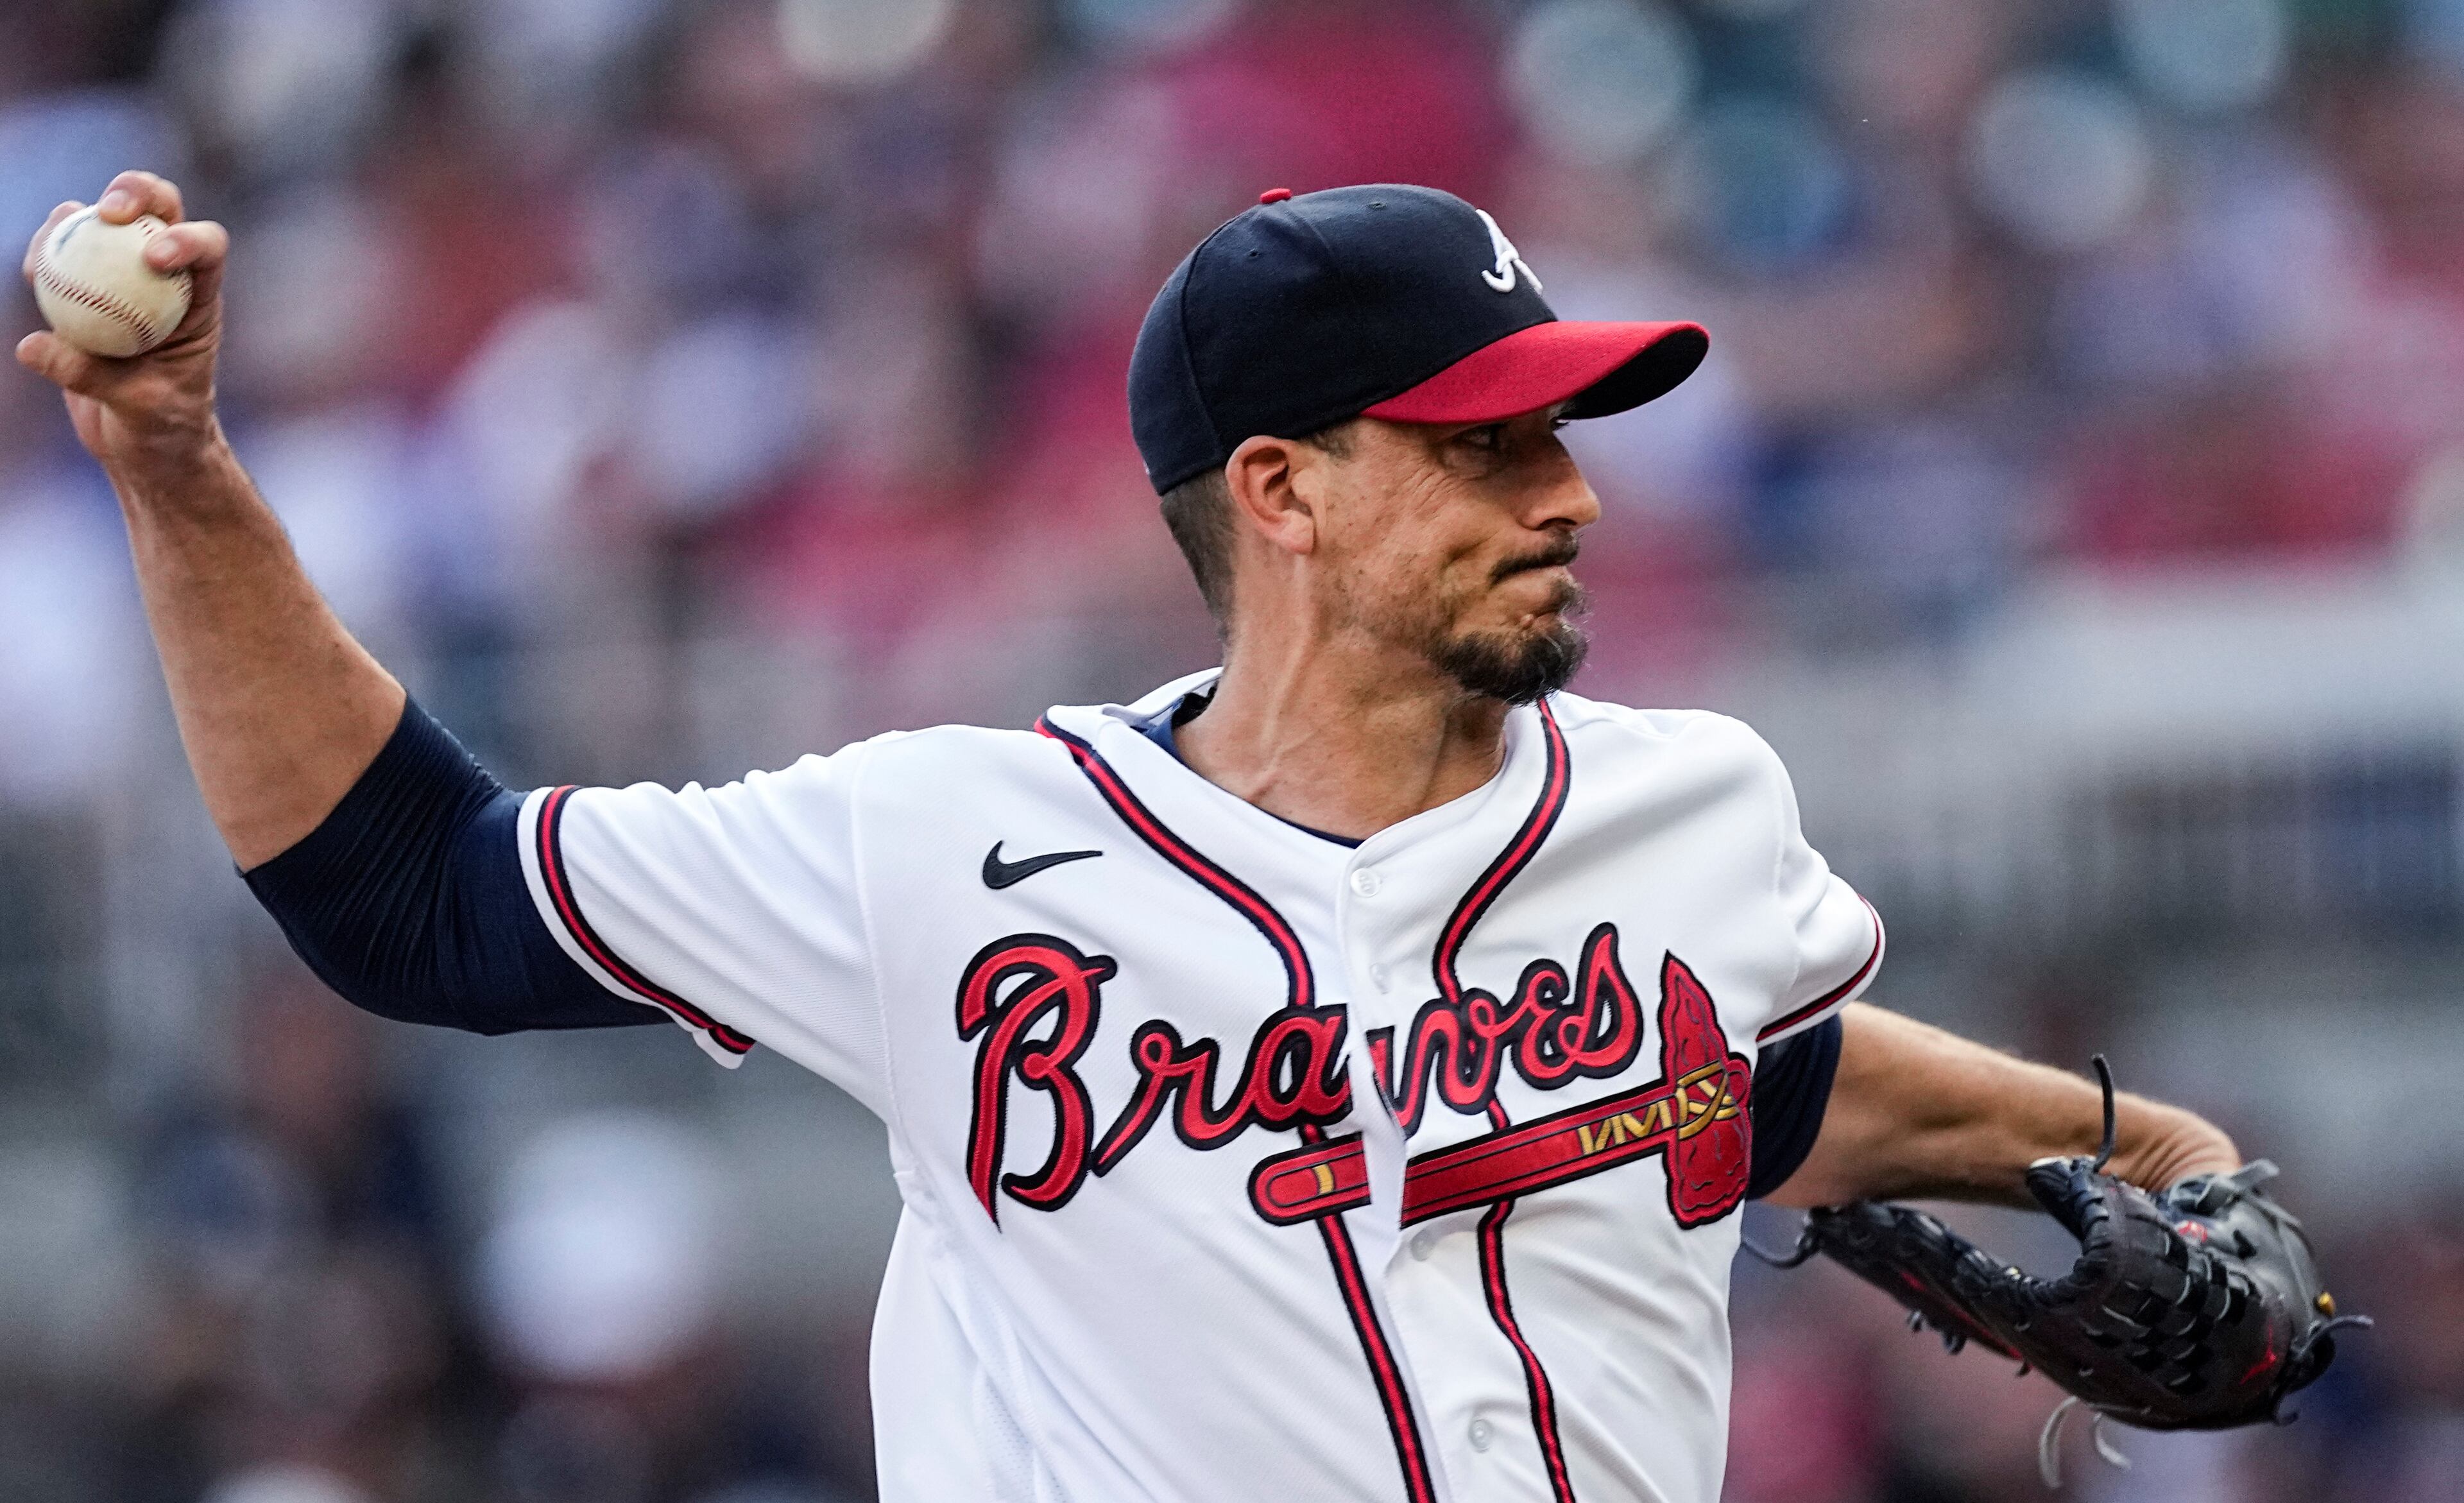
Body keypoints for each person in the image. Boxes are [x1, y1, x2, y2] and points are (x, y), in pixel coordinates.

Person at [22, 173, 2243, 1503]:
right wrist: (181, 477)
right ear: (1277, 494)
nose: (1563, 488)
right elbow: (407, 891)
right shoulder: (946, 850)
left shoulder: (1695, 810)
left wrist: (2154, 1150)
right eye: (1474, 446)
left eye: (1558, 427)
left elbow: (1732, 1080)